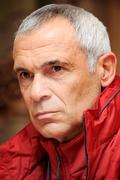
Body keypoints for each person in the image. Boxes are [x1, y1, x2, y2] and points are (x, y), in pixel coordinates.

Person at [0, 4, 120, 179]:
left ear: (105, 70)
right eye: (25, 74)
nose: (35, 93)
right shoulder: (8, 166)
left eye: (56, 69)